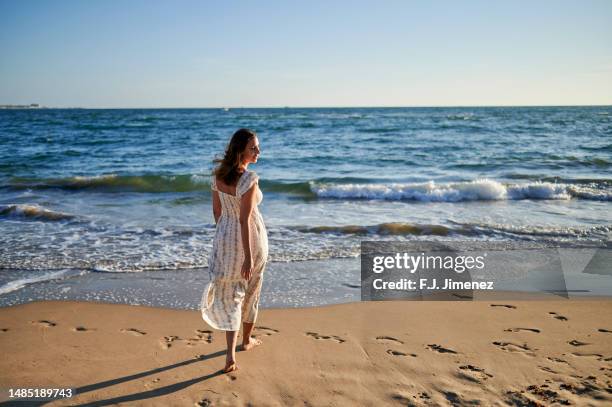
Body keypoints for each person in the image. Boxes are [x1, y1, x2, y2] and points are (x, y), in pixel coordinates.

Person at [200, 128, 268, 373]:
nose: (258, 151)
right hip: (250, 237)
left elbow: (217, 213)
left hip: (224, 236)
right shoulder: (249, 179)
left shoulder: (217, 176)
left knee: (231, 294)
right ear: (241, 150)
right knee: (251, 289)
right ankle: (246, 341)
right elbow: (245, 219)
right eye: (254, 148)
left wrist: (223, 237)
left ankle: (230, 356)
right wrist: (248, 257)